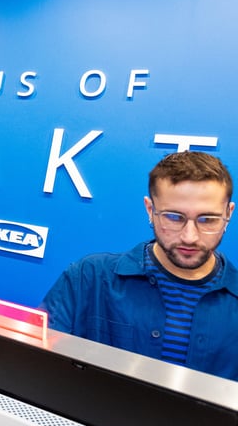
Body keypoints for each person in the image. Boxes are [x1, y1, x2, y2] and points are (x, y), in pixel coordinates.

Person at [39, 150, 238, 380]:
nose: (190, 237)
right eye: (174, 217)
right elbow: (37, 369)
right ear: (150, 210)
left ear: (228, 213)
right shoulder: (88, 278)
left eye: (208, 220)